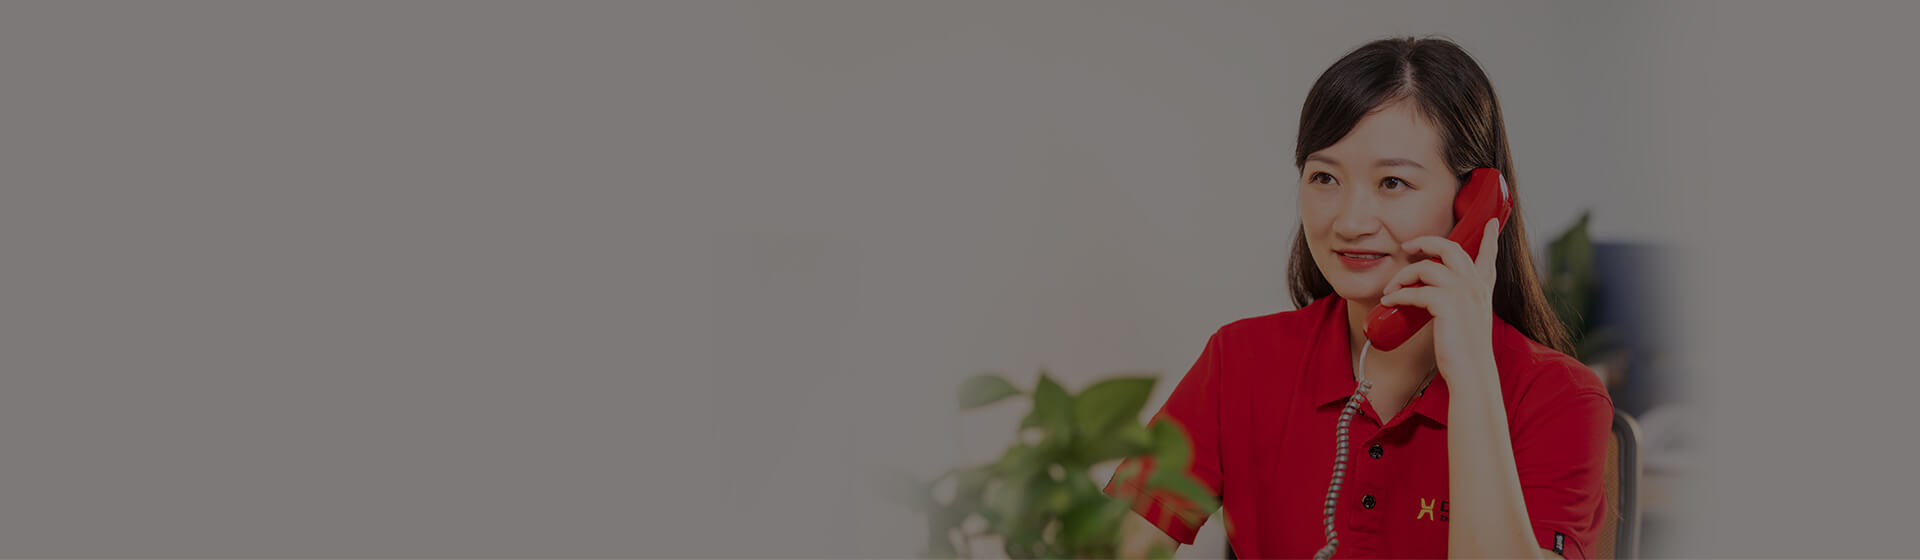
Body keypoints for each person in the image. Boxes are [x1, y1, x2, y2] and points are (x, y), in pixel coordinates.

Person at [1103, 37, 1613, 559]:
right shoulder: (1241, 362)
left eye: (1393, 182)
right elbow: (1105, 548)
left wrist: (1473, 378)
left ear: (1474, 203)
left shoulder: (1559, 398)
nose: (1349, 222)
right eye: (1324, 177)